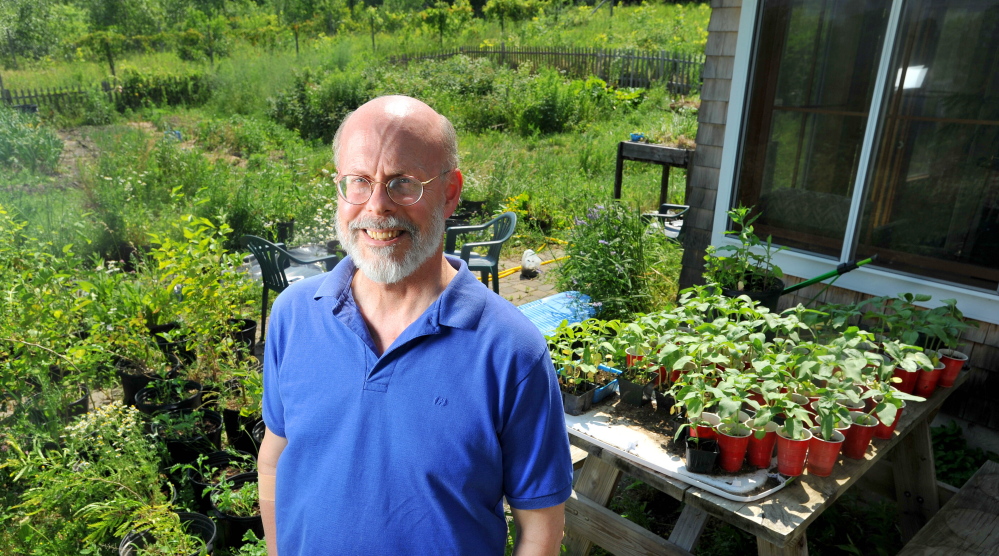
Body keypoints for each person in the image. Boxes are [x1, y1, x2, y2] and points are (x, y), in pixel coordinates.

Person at [258, 95, 573, 555]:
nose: (378, 206)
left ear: (450, 192)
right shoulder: (294, 314)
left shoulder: (510, 350)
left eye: (403, 183)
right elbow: (275, 456)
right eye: (359, 182)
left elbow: (541, 528)